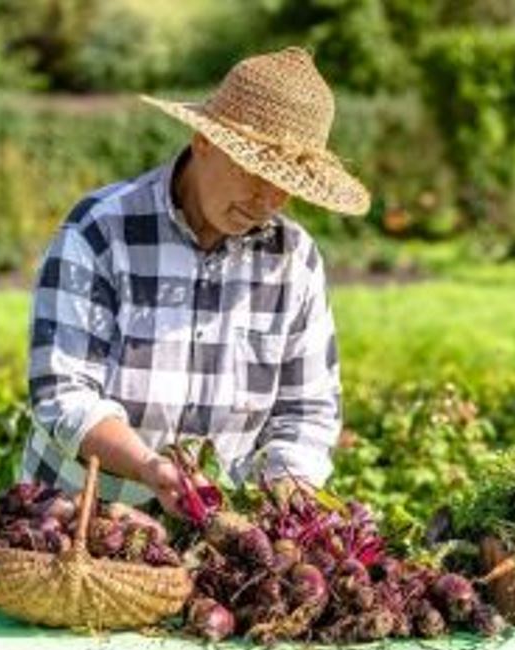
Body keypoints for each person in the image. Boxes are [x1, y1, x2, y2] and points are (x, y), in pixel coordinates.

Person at [21, 46, 370, 516]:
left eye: (286, 182)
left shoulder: (294, 260)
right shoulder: (102, 230)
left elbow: (306, 412)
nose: (266, 198)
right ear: (203, 141)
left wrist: (288, 497)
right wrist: (148, 466)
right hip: (77, 524)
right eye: (255, 170)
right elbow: (64, 394)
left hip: (213, 542)